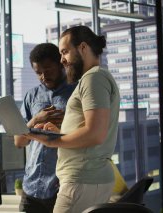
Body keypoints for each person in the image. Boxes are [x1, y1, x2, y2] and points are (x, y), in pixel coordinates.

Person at [24, 25, 120, 213]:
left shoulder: (93, 79)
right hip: (86, 179)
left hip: (81, 179)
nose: (62, 60)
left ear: (83, 48)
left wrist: (53, 142)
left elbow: (95, 134)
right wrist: (60, 133)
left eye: (65, 52)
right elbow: (90, 130)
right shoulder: (95, 78)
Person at [14, 43, 76, 213]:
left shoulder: (76, 92)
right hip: (31, 188)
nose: (43, 76)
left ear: (60, 64)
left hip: (60, 186)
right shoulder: (31, 96)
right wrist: (35, 119)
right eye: (38, 72)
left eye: (47, 70)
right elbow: (19, 141)